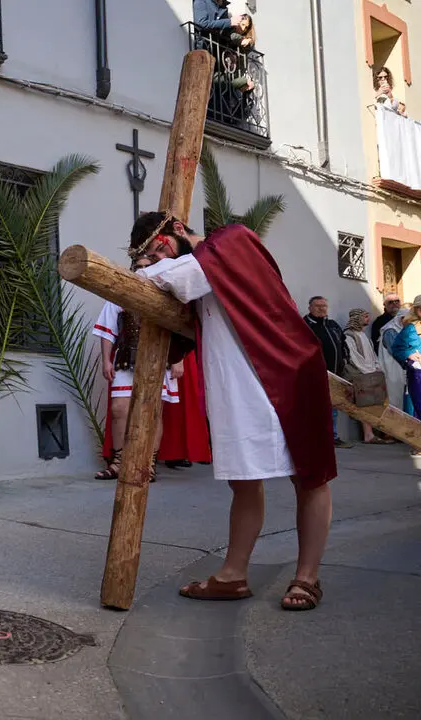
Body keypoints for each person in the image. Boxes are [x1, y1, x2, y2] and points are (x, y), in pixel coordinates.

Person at [130, 212, 335, 611]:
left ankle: (307, 578)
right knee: (242, 480)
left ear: (176, 229)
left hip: (285, 371)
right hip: (236, 387)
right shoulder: (195, 267)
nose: (158, 260)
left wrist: (144, 272)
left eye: (158, 250)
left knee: (309, 476)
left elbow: (180, 279)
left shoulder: (231, 241)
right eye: (151, 257)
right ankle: (232, 576)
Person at [91, 257, 182, 481]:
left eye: (146, 266)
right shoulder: (120, 294)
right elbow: (107, 330)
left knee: (153, 412)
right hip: (126, 359)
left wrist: (178, 359)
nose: (142, 270)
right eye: (138, 266)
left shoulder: (166, 296)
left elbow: (178, 330)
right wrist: (106, 360)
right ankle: (118, 463)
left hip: (158, 359)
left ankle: (147, 465)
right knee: (119, 409)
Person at [305, 296, 352, 448]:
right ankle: (315, 438)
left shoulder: (332, 325)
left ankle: (332, 437)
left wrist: (345, 359)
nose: (321, 308)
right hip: (314, 376)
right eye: (317, 306)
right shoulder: (305, 325)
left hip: (335, 374)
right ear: (310, 308)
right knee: (314, 407)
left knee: (333, 407)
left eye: (324, 306)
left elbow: (343, 343)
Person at [345, 309, 388, 444]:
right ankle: (368, 435)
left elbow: (372, 354)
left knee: (373, 404)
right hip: (361, 375)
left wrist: (376, 367)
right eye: (364, 316)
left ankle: (373, 434)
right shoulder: (349, 335)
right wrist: (367, 370)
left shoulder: (364, 335)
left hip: (370, 374)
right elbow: (354, 358)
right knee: (364, 404)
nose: (367, 319)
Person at [390, 297, 421, 458]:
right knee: (419, 406)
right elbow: (397, 348)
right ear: (416, 310)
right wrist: (409, 355)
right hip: (418, 373)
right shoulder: (410, 328)